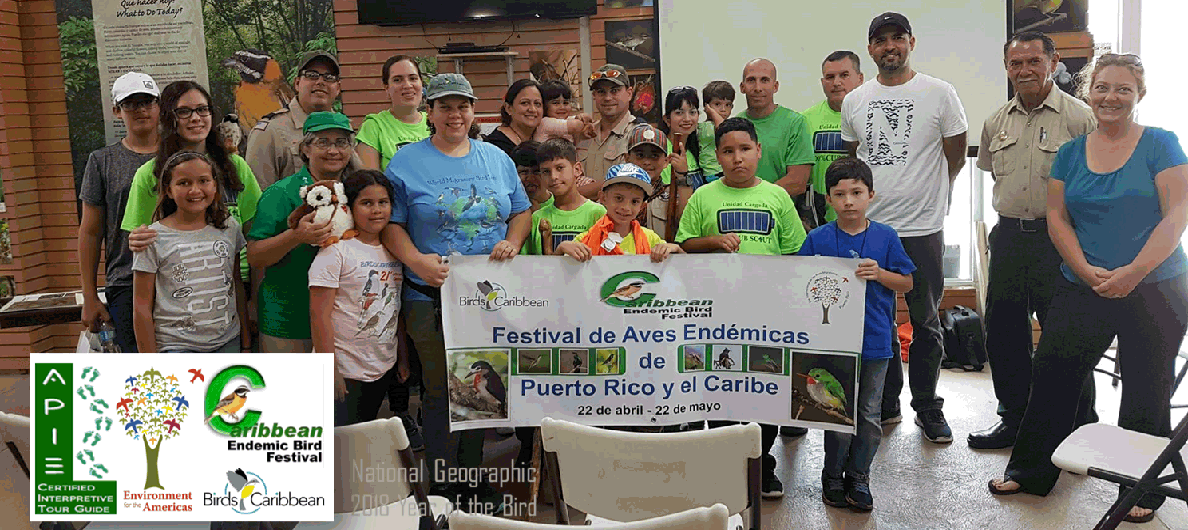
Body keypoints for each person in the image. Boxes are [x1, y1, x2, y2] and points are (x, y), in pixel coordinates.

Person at [988, 53, 1188, 525]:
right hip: (1083, 284)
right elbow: (1058, 217)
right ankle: (1031, 471)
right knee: (1053, 376)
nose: (1110, 97)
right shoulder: (1072, 152)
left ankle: (1142, 488)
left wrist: (1132, 272)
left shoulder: (1160, 143)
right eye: (1102, 87)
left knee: (1146, 388)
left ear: (1139, 94)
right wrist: (1085, 269)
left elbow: (1177, 214)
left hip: (1155, 287)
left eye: (1123, 89)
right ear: (1088, 92)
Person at [381, 73, 530, 513]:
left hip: (486, 296)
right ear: (429, 111)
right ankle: (443, 484)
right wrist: (415, 261)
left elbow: (521, 211)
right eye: (445, 106)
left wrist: (514, 241)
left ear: (473, 110)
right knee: (440, 389)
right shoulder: (406, 162)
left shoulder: (496, 159)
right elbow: (390, 223)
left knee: (479, 386)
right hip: (430, 295)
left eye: (462, 105)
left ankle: (474, 477)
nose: (454, 114)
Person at [840, 12, 968, 443]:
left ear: (911, 42)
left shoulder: (939, 92)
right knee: (878, 320)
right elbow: (854, 161)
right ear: (870, 49)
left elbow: (955, 154)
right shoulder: (855, 99)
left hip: (922, 226)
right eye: (881, 40)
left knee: (925, 320)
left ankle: (928, 406)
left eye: (897, 38)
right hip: (873, 229)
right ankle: (887, 401)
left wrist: (934, 191)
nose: (889, 46)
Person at [968, 32, 1098, 450]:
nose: (1024, 70)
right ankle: (1014, 418)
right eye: (1015, 63)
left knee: (1067, 334)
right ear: (1007, 68)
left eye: (1033, 61)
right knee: (1004, 332)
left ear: (1053, 62)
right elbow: (993, 171)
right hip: (1009, 237)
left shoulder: (1079, 118)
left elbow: (1096, 183)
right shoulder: (996, 121)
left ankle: (1079, 425)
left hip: (1059, 239)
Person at [675, 117, 807, 498]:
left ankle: (761, 463)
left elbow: (795, 253)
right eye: (728, 151)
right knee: (720, 387)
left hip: (767, 315)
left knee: (766, 389)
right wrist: (713, 242)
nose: (737, 158)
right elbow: (684, 244)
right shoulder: (704, 197)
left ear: (758, 151)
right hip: (716, 315)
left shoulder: (777, 197)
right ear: (717, 156)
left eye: (745, 149)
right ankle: (725, 464)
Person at [800, 157, 915, 512]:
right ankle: (832, 476)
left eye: (856, 193)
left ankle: (859, 476)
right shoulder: (817, 238)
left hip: (875, 342)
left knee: (867, 414)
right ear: (828, 198)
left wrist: (880, 274)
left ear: (870, 195)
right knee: (836, 412)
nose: (848, 201)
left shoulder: (886, 236)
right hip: (832, 345)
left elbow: (907, 282)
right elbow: (798, 282)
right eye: (839, 194)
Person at [122, 81, 261, 290]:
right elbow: (138, 237)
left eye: (202, 109)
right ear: (169, 118)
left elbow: (255, 231)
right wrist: (137, 239)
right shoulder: (149, 175)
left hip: (235, 280)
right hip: (176, 285)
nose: (196, 118)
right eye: (184, 112)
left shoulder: (235, 166)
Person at [247, 112, 355, 353]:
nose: (333, 151)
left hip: (344, 323)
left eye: (341, 142)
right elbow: (254, 256)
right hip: (289, 322)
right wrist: (296, 236)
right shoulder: (281, 193)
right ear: (305, 149)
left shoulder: (355, 191)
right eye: (323, 142)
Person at [310, 169, 404, 426]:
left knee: (362, 434)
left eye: (383, 202)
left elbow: (396, 308)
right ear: (350, 207)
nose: (376, 210)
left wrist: (402, 358)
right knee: (337, 441)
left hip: (382, 367)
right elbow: (319, 316)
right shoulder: (335, 251)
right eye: (366, 203)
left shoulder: (395, 251)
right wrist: (330, 370)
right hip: (345, 370)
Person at [130, 151, 249, 353]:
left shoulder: (230, 228)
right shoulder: (151, 238)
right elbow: (141, 307)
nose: (195, 190)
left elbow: (236, 284)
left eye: (203, 181)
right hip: (177, 347)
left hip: (228, 342)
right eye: (184, 183)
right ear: (168, 190)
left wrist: (245, 343)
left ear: (215, 185)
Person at [78, 71, 161, 353]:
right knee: (142, 372)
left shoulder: (181, 156)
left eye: (147, 101)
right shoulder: (102, 161)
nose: (141, 110)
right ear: (117, 110)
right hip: (127, 281)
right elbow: (90, 232)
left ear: (159, 106)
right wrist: (90, 296)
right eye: (131, 103)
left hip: (179, 277)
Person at [246, 51, 360, 191]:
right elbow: (258, 194)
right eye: (312, 75)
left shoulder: (345, 128)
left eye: (329, 77)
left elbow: (358, 182)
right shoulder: (269, 132)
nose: (320, 82)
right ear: (297, 83)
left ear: (338, 88)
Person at [557, 163, 682, 262]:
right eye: (618, 198)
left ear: (642, 206)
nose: (626, 207)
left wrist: (676, 249)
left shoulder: (651, 239)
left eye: (634, 201)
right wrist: (561, 249)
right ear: (603, 198)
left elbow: (684, 268)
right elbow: (556, 276)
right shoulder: (584, 241)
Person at [737, 58, 816, 211]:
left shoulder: (795, 123)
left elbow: (797, 182)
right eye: (751, 80)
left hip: (780, 214)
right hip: (738, 213)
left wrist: (752, 201)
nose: (758, 88)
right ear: (742, 87)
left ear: (775, 86)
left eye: (764, 80)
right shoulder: (734, 125)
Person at [802, 51, 865, 226]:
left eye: (844, 75)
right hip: (819, 216)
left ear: (860, 78)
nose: (836, 83)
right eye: (830, 77)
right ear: (822, 82)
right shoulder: (805, 120)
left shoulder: (872, 117)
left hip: (863, 213)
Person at [528, 139, 606, 257]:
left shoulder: (597, 213)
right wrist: (561, 249)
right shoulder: (537, 217)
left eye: (559, 168)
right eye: (546, 171)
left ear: (577, 169)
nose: (553, 177)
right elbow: (529, 263)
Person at [577, 64, 643, 198]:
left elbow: (628, 182)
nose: (607, 98)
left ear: (629, 93)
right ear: (594, 95)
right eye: (601, 92)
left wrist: (572, 195)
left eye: (614, 90)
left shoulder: (639, 134)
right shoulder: (583, 134)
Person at [356, 55, 431, 171]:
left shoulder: (435, 121)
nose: (407, 85)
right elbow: (369, 180)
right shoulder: (374, 126)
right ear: (386, 88)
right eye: (397, 80)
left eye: (413, 78)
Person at [485, 79, 592, 155]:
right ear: (508, 108)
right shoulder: (496, 145)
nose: (532, 109)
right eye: (524, 103)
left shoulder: (536, 134)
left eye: (537, 104)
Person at [655, 86, 700, 240]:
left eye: (692, 112)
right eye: (679, 113)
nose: (687, 119)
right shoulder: (661, 150)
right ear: (667, 119)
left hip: (693, 228)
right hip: (668, 230)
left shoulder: (696, 149)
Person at [621, 124, 672, 235]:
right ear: (627, 158)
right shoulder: (615, 194)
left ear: (666, 161)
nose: (647, 162)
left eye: (654, 156)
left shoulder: (672, 196)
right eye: (640, 155)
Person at [697, 80, 734, 185]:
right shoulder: (705, 127)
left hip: (725, 171)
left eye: (728, 105)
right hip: (714, 173)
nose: (723, 109)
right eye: (717, 104)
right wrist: (712, 113)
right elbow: (723, 131)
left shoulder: (729, 124)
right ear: (706, 107)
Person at [512, 141, 552, 213]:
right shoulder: (507, 208)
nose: (530, 178)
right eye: (524, 172)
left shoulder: (562, 205)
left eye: (537, 171)